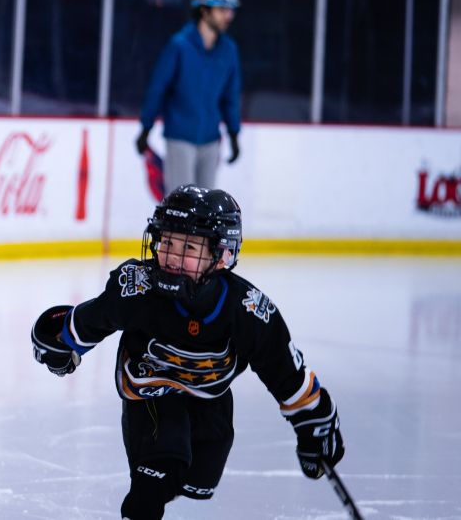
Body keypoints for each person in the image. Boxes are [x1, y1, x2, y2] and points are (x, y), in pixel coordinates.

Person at [31, 186, 345, 520]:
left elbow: (285, 375)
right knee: (156, 477)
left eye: (189, 247)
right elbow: (93, 319)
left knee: (198, 479)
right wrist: (60, 341)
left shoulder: (247, 311)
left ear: (221, 255)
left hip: (210, 396)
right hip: (148, 387)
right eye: (167, 241)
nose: (171, 256)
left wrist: (315, 424)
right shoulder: (137, 287)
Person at [136, 0, 242, 192]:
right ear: (204, 10)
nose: (228, 16)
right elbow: (158, 88)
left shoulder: (228, 50)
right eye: (222, 9)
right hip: (180, 137)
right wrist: (146, 128)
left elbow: (231, 96)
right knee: (180, 203)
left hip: (210, 140)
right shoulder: (179, 46)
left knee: (206, 207)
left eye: (230, 10)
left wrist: (233, 134)